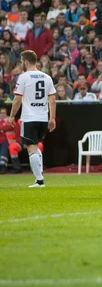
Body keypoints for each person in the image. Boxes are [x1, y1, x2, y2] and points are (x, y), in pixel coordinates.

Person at [8, 50, 56, 188]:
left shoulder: (23, 77)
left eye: (22, 61)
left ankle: (40, 181)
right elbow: (52, 99)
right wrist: (52, 118)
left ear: (26, 62)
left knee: (31, 147)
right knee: (36, 146)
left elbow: (17, 99)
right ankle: (39, 177)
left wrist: (12, 116)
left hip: (29, 118)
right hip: (42, 118)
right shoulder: (47, 77)